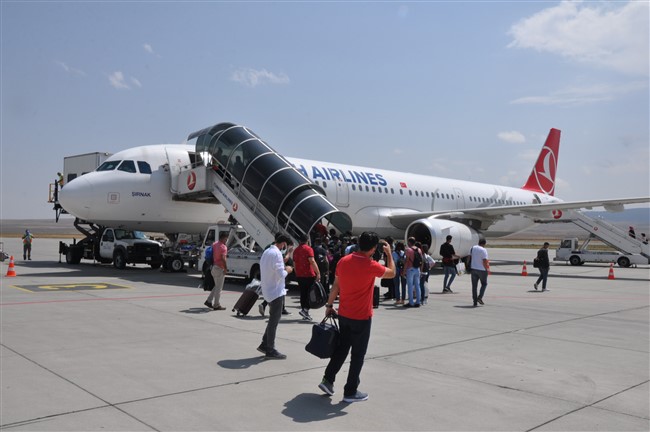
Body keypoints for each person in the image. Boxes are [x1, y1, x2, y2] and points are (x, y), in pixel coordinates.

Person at [318, 231, 395, 402]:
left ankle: (328, 379)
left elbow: (336, 286)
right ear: (373, 248)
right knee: (358, 354)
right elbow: (392, 273)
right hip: (361, 317)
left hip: (344, 314)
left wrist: (329, 306)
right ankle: (350, 391)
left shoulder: (343, 261)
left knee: (342, 348)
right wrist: (389, 254)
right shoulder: (371, 265)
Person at [258, 233, 293, 360]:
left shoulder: (267, 251)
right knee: (274, 321)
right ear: (283, 244)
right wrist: (288, 270)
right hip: (275, 292)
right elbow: (280, 274)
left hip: (268, 290)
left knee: (273, 319)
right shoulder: (277, 253)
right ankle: (270, 349)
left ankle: (264, 344)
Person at [293, 233, 320, 321]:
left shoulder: (296, 250)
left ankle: (304, 311)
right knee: (310, 293)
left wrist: (297, 273)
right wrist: (318, 273)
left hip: (300, 275)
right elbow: (312, 261)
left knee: (303, 293)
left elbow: (294, 263)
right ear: (307, 240)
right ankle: (305, 310)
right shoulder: (309, 249)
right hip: (308, 274)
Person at [204, 232, 228, 311]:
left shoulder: (215, 244)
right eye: (226, 239)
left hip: (213, 267)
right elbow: (223, 258)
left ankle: (209, 301)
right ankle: (216, 305)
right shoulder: (223, 247)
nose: (226, 240)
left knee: (217, 286)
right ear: (223, 238)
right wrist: (225, 268)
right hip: (219, 268)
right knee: (219, 288)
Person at [470, 239, 490, 307]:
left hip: (473, 268)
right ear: (484, 244)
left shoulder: (473, 248)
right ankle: (480, 297)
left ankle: (475, 301)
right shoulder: (483, 250)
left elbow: (469, 257)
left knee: (474, 286)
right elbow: (485, 260)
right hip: (481, 269)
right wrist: (486, 269)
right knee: (484, 284)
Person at [403, 237, 422, 308]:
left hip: (410, 269)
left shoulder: (409, 250)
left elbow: (407, 261)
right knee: (417, 285)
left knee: (410, 286)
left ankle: (411, 302)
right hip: (417, 269)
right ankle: (418, 302)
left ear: (409, 242)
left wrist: (404, 271)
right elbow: (421, 260)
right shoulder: (419, 249)